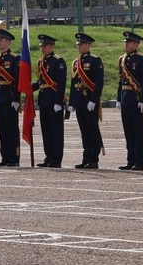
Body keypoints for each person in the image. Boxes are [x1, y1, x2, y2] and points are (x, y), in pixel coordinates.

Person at [69, 32, 104, 169]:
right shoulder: (75, 62)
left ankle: (93, 159)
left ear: (88, 45)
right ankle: (86, 157)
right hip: (79, 101)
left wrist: (94, 100)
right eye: (78, 44)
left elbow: (99, 83)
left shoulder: (95, 61)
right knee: (84, 131)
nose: (79, 46)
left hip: (90, 101)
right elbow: (73, 84)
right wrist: (71, 103)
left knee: (92, 130)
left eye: (81, 44)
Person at [117, 31, 143, 170]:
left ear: (136, 44)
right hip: (125, 99)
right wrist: (119, 98)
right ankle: (130, 160)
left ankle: (139, 161)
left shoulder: (142, 59)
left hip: (136, 99)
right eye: (125, 42)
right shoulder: (122, 59)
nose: (126, 44)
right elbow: (121, 81)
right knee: (128, 132)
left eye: (129, 42)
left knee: (138, 132)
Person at [33, 34, 66, 168]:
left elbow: (61, 84)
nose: (43, 48)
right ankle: (49, 156)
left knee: (56, 131)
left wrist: (58, 102)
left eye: (45, 46)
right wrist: (29, 87)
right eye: (42, 46)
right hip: (44, 100)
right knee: (46, 131)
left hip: (54, 101)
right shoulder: (41, 62)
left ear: (51, 46)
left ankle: (56, 159)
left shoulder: (58, 61)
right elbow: (41, 82)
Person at [0, 28, 21, 167]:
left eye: (1, 40)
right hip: (0, 97)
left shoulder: (15, 58)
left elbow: (18, 80)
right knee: (2, 129)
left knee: (11, 129)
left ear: (8, 42)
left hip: (10, 97)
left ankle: (14, 157)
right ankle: (5, 157)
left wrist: (16, 98)